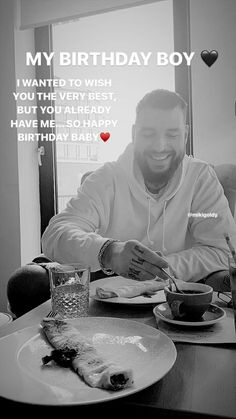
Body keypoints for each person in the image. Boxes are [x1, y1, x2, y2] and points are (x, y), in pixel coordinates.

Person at [42, 89, 236, 283]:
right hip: (108, 298)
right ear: (134, 134)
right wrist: (110, 252)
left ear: (185, 135)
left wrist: (159, 269)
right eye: (148, 134)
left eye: (172, 134)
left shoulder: (200, 178)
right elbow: (55, 234)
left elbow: (223, 250)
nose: (160, 146)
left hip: (178, 299)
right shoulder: (107, 177)